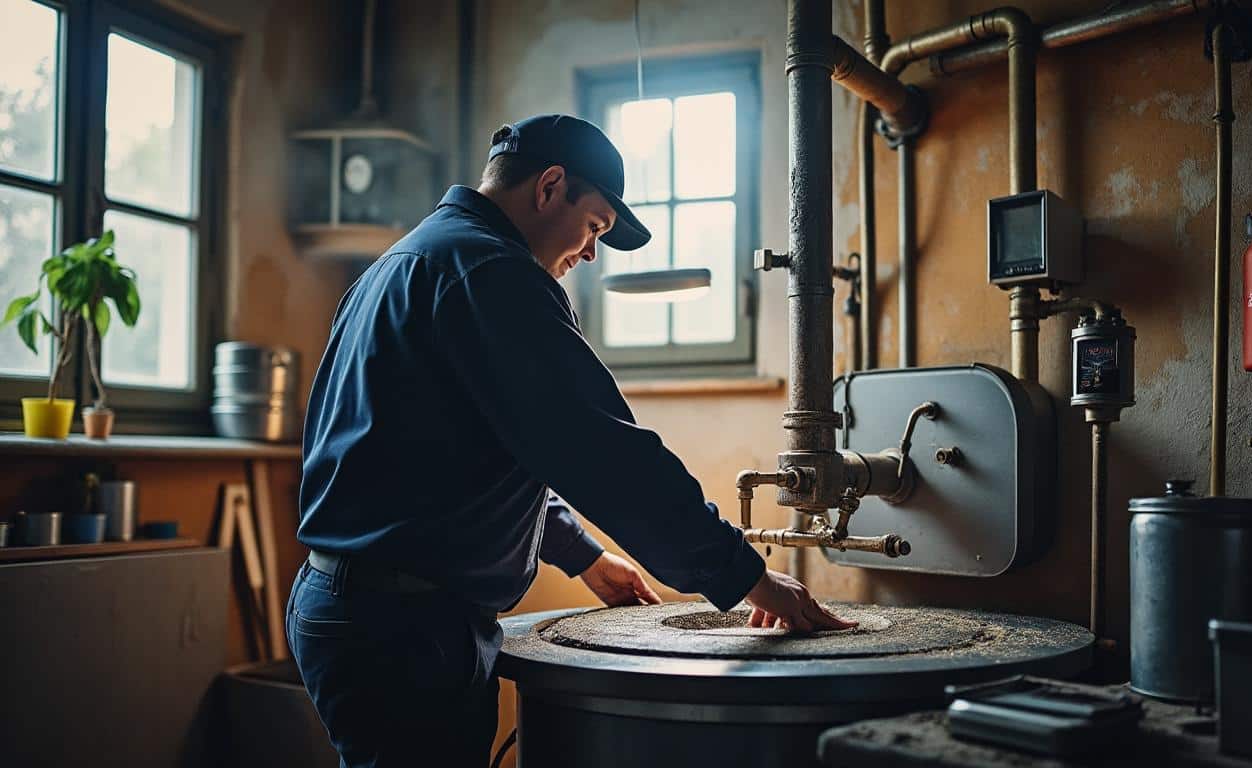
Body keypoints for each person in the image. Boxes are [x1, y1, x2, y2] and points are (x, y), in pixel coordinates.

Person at [288, 113, 854, 767]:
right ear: (550, 186)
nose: (590, 253)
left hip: (350, 605)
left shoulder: (405, 262)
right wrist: (747, 576)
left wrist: (583, 555)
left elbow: (483, 454)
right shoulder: (492, 273)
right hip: (403, 627)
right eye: (595, 227)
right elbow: (606, 457)